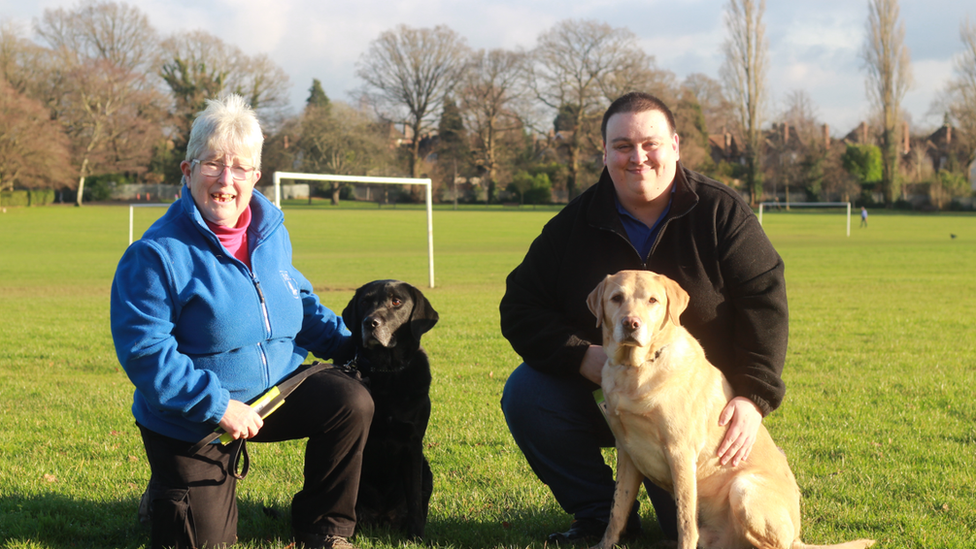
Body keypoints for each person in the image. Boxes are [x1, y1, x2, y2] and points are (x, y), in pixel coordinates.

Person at [499, 92, 788, 544]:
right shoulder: (574, 224)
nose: (638, 158)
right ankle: (602, 517)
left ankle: (678, 510)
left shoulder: (720, 212)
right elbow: (518, 306)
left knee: (706, 529)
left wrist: (753, 395)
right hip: (611, 393)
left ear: (674, 145)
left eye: (650, 144)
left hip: (701, 418)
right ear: (605, 153)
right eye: (622, 146)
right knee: (526, 393)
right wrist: (582, 357)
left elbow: (765, 301)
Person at [111, 94, 373, 549]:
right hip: (197, 417)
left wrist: (351, 345)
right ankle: (166, 489)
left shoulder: (271, 231)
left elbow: (298, 301)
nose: (225, 180)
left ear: (255, 175)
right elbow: (145, 353)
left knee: (351, 400)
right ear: (188, 170)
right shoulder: (155, 255)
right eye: (212, 163)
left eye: (240, 167)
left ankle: (324, 530)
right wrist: (217, 405)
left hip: (275, 394)